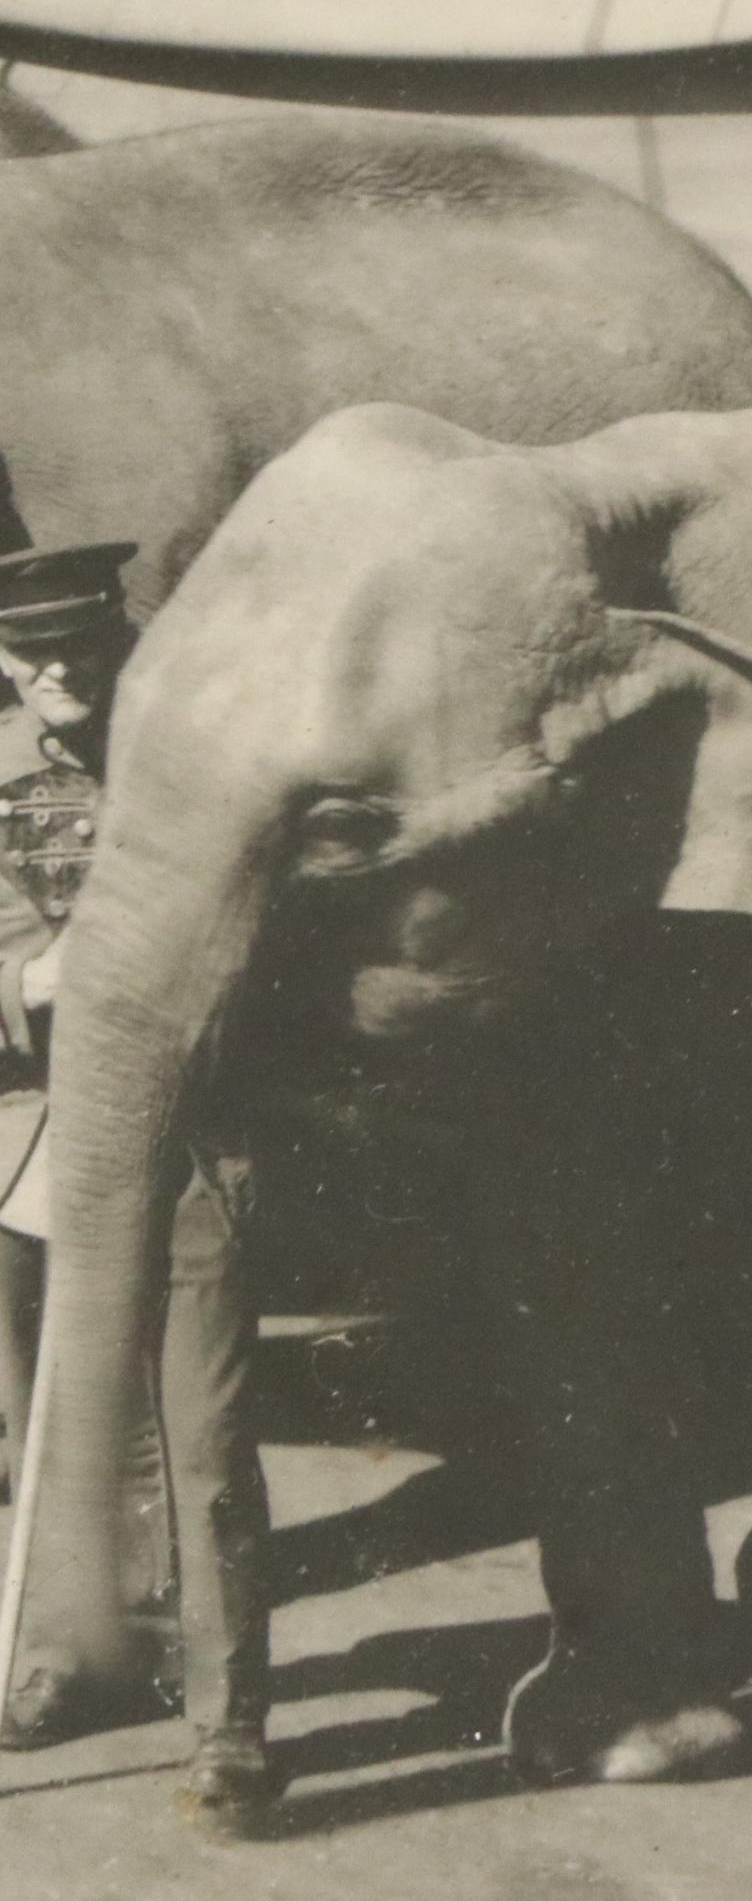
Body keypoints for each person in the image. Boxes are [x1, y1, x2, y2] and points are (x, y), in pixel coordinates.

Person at [0, 540, 277, 1827]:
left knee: (208, 1434)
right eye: (26, 651)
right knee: (47, 1435)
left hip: (189, 1141)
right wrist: (35, 982)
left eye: (77, 647)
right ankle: (61, 1665)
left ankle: (232, 1724)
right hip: (30, 1143)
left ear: (119, 641)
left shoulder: (196, 759)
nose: (56, 673)